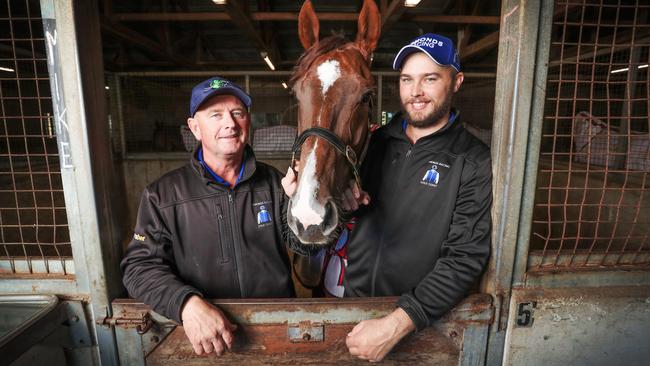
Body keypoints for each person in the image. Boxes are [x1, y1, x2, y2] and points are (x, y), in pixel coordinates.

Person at [283, 33, 492, 362]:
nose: (416, 92)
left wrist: (398, 323)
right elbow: (320, 237)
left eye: (430, 78)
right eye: (407, 79)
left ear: (456, 82)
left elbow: (464, 258)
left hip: (418, 325)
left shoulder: (473, 160)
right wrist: (325, 204)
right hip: (353, 313)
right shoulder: (372, 145)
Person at [121, 76, 297, 356]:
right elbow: (138, 268)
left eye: (237, 113)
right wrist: (186, 304)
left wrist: (305, 204)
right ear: (194, 128)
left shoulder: (275, 183)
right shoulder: (163, 195)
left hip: (274, 330)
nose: (230, 122)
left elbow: (306, 247)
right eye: (216, 115)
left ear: (248, 122)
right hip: (205, 339)